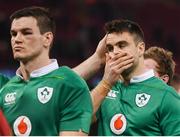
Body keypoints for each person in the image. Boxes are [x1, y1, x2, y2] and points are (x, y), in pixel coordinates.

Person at [74, 19, 180, 135]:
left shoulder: (166, 95)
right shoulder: (106, 89)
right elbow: (75, 122)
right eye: (110, 48)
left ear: (140, 48)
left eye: (121, 45)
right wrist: (105, 80)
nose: (115, 52)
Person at [0, 6, 92, 136]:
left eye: (26, 33)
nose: (17, 39)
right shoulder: (5, 88)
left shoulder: (71, 84)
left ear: (47, 38)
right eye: (13, 34)